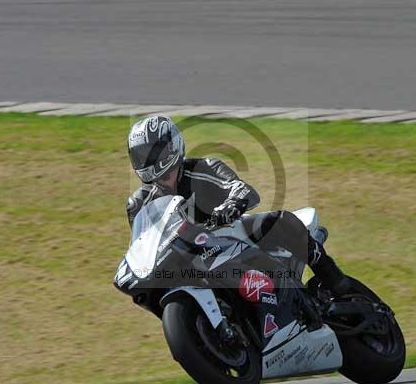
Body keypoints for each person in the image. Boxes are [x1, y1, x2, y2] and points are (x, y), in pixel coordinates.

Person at [125, 115, 361, 296]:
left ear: (172, 146)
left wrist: (228, 207)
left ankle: (336, 280)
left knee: (281, 220)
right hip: (189, 260)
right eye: (143, 155)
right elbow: (144, 246)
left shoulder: (203, 169)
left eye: (155, 153)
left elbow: (242, 189)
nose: (150, 161)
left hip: (228, 235)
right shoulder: (139, 203)